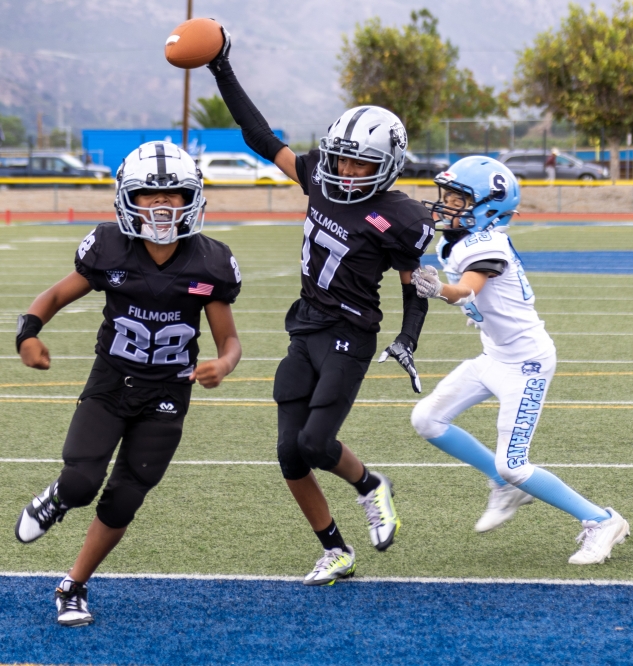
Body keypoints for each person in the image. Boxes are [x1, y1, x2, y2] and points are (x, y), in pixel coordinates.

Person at [207, 25, 435, 585]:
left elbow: (413, 280)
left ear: (388, 165)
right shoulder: (317, 177)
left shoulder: (400, 215)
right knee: (289, 455)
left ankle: (370, 485)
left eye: (361, 164)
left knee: (315, 442)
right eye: (343, 159)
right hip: (304, 325)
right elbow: (259, 135)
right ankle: (335, 548)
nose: (348, 171)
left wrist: (408, 337)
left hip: (350, 332)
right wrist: (221, 68)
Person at [14, 141, 242, 625]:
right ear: (127, 200)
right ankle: (56, 498)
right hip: (112, 383)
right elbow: (55, 293)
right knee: (80, 482)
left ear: (193, 197)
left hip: (167, 394)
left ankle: (73, 585)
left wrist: (223, 366)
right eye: (148, 196)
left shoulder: (210, 263)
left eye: (175, 195)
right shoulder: (109, 247)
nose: (162, 206)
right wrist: (27, 335)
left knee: (124, 498)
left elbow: (230, 342)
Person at [410, 155, 629, 564]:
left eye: (457, 199)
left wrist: (439, 289)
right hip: (494, 355)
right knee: (426, 419)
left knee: (513, 463)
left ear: (486, 207)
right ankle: (504, 486)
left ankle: (601, 520)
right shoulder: (456, 240)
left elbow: (467, 289)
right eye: (448, 196)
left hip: (527, 363)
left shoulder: (488, 244)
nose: (446, 204)